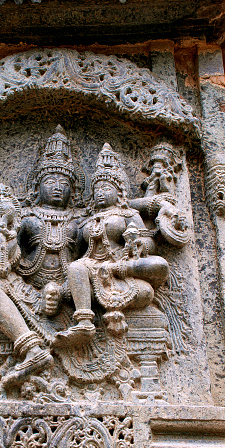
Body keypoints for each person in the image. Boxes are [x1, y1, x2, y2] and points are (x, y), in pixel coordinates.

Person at [0, 125, 85, 387]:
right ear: (37, 185)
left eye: (64, 183)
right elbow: (3, 263)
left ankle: (36, 352)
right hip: (25, 293)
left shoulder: (81, 222)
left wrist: (63, 291)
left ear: (74, 190)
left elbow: (91, 265)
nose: (57, 188)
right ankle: (32, 350)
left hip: (69, 299)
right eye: (50, 182)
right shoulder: (26, 218)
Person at [61, 143, 169, 346]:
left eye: (106, 188)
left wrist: (136, 243)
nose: (101, 192)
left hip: (122, 268)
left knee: (159, 266)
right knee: (75, 267)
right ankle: (84, 321)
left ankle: (110, 282)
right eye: (97, 189)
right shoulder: (86, 220)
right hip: (92, 268)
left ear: (119, 191)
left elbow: (149, 244)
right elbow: (76, 253)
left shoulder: (129, 214)